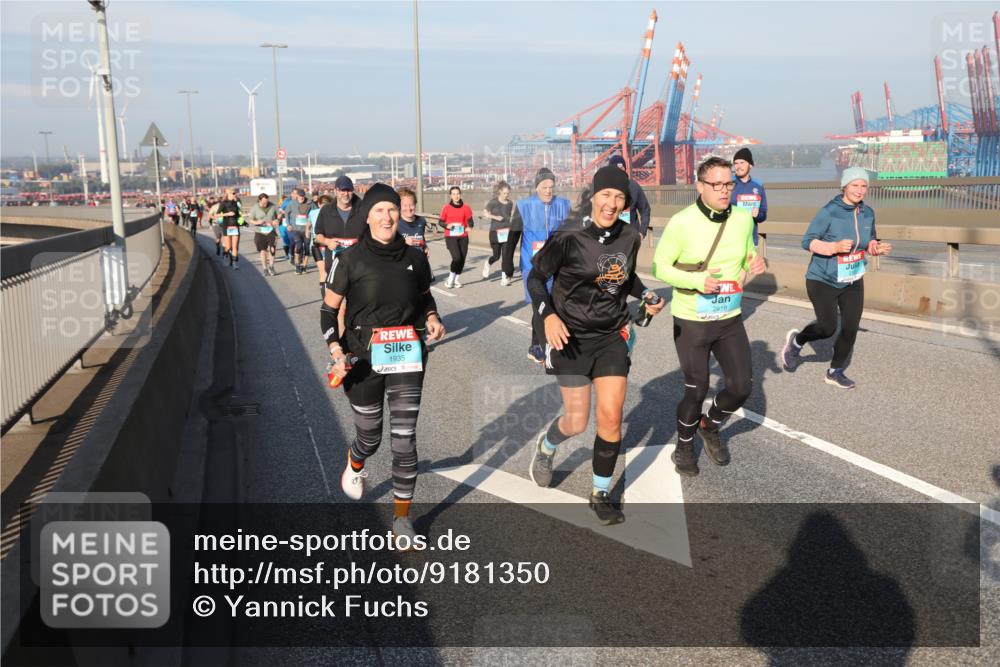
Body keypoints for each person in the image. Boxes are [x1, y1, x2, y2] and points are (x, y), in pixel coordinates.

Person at [527, 166, 664, 524]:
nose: (612, 203)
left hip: (610, 335)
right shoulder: (569, 234)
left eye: (619, 197)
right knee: (576, 421)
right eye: (606, 195)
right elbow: (536, 277)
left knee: (611, 417)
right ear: (593, 196)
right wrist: (548, 317)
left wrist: (645, 293)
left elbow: (624, 276)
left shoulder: (630, 236)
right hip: (569, 335)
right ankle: (547, 446)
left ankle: (600, 492)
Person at [323, 183, 446, 544]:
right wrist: (335, 350)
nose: (388, 216)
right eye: (379, 210)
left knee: (405, 439)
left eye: (392, 209)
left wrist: (434, 317)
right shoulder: (350, 260)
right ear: (368, 216)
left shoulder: (415, 257)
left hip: (407, 354)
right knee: (370, 436)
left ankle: (402, 518)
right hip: (362, 358)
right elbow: (328, 310)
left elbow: (425, 298)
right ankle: (356, 462)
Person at [651, 156, 766, 476]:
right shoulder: (682, 222)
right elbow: (660, 266)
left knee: (742, 387)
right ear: (700, 186)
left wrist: (755, 265)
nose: (724, 190)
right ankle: (684, 445)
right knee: (697, 389)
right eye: (716, 184)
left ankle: (709, 426)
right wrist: (697, 281)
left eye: (728, 183)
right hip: (692, 319)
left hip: (729, 317)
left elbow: (747, 258)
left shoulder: (743, 219)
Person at [780, 167, 891, 389]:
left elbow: (869, 240)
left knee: (850, 327)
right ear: (844, 186)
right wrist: (833, 247)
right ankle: (797, 341)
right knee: (827, 328)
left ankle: (835, 371)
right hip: (823, 279)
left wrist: (875, 247)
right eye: (855, 185)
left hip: (852, 279)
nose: (860, 191)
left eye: (863, 186)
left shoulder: (868, 212)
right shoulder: (829, 212)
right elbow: (807, 241)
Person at [511, 167, 572, 363]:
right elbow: (513, 235)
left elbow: (571, 234)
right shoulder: (524, 206)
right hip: (532, 265)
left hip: (555, 264)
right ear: (537, 187)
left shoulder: (563, 205)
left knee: (552, 304)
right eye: (544, 186)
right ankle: (541, 346)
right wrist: (507, 263)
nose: (548, 191)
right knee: (540, 303)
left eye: (551, 187)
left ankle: (539, 343)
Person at [315, 175, 365, 274]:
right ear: (336, 191)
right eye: (342, 190)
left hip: (358, 265)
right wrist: (327, 241)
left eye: (349, 190)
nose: (346, 194)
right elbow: (318, 236)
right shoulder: (326, 210)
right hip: (334, 265)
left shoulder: (363, 209)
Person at [607, 155, 652, 239]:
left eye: (621, 169)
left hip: (630, 238)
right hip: (609, 238)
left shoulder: (634, 187)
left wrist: (642, 232)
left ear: (625, 169)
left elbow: (645, 210)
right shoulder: (604, 188)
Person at [730, 147, 768, 245]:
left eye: (742, 162)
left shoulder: (758, 186)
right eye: (736, 163)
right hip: (730, 240)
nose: (738, 166)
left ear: (750, 165)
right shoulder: (728, 184)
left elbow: (763, 214)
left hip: (751, 241)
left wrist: (758, 215)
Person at [438, 186, 474, 288]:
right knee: (457, 258)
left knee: (462, 258)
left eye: (457, 193)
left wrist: (470, 227)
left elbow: (470, 222)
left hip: (463, 236)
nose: (456, 196)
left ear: (460, 194)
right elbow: (440, 222)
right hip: (451, 236)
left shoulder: (466, 208)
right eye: (453, 194)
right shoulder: (446, 208)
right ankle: (450, 279)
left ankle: (456, 280)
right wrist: (446, 225)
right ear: (450, 195)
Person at [481, 181, 514, 282]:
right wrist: (495, 217)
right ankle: (488, 263)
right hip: (495, 232)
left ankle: (504, 278)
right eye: (504, 193)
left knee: (506, 256)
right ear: (500, 191)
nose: (506, 195)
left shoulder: (510, 203)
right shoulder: (493, 202)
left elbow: (511, 215)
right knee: (496, 256)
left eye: (508, 193)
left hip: (506, 232)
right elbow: (485, 213)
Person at [286, 188, 317, 275]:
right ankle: (297, 265)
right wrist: (288, 224)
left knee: (307, 248)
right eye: (300, 196)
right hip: (296, 229)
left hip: (307, 230)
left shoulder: (310, 203)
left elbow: (316, 213)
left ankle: (304, 266)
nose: (301, 198)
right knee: (298, 246)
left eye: (303, 196)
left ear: (304, 196)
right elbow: (286, 213)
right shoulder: (292, 203)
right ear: (297, 196)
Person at [248, 192, 280, 276]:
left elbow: (279, 215)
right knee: (263, 251)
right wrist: (257, 222)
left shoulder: (273, 206)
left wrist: (277, 220)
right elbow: (250, 220)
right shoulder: (254, 208)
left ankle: (271, 266)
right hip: (260, 231)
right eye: (264, 202)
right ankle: (265, 269)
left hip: (271, 230)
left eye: (267, 202)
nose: (266, 204)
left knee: (272, 248)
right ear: (259, 200)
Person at [310, 194, 333, 294]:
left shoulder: (312, 212)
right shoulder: (332, 213)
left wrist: (307, 230)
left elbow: (309, 223)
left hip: (317, 243)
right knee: (328, 273)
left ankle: (325, 301)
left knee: (323, 273)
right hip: (324, 243)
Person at [397, 187, 429, 257]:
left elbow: (421, 239)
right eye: (405, 206)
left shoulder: (421, 221)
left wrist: (425, 247)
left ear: (415, 204)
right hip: (403, 262)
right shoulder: (395, 223)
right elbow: (388, 246)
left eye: (411, 205)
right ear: (399, 206)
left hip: (420, 260)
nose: (409, 208)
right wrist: (403, 242)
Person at [218, 189, 243, 269]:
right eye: (233, 193)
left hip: (235, 226)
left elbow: (238, 215)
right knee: (228, 247)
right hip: (226, 226)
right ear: (228, 194)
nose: (234, 194)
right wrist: (227, 214)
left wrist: (244, 223)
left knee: (235, 247)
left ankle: (234, 263)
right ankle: (225, 254)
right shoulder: (223, 203)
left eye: (235, 193)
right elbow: (217, 214)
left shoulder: (236, 203)